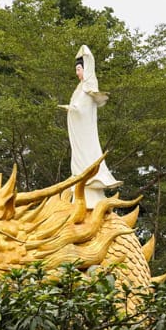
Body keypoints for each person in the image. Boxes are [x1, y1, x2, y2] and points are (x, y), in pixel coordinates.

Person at [59, 45, 120, 208]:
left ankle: (92, 195)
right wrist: (71, 110)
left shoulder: (88, 89)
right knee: (78, 160)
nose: (77, 73)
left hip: (86, 133)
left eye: (79, 69)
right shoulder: (80, 88)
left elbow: (82, 109)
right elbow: (77, 108)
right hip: (79, 134)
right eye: (77, 69)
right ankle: (80, 190)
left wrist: (73, 109)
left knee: (87, 157)